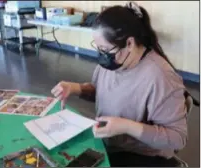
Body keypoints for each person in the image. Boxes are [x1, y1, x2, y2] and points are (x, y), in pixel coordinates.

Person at [51, 2, 188, 167]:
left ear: (129, 44)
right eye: (99, 48)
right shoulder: (115, 61)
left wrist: (126, 126)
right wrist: (75, 88)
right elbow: (106, 93)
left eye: (105, 49)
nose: (102, 55)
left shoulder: (161, 77)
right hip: (110, 144)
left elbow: (177, 139)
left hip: (141, 155)